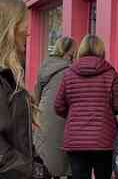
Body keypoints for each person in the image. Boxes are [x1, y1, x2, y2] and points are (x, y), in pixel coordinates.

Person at [54, 35, 118, 179]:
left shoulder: (69, 74)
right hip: (103, 139)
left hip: (75, 140)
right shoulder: (110, 74)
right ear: (102, 50)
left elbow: (58, 106)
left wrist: (74, 115)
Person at [0, 0, 40, 178]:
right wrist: (29, 171)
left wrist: (37, 166)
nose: (28, 33)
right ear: (9, 28)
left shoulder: (9, 76)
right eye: (24, 27)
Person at [34, 37, 77, 179]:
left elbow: (37, 95)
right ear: (69, 53)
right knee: (60, 161)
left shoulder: (45, 66)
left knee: (44, 159)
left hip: (43, 116)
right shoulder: (71, 70)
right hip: (62, 118)